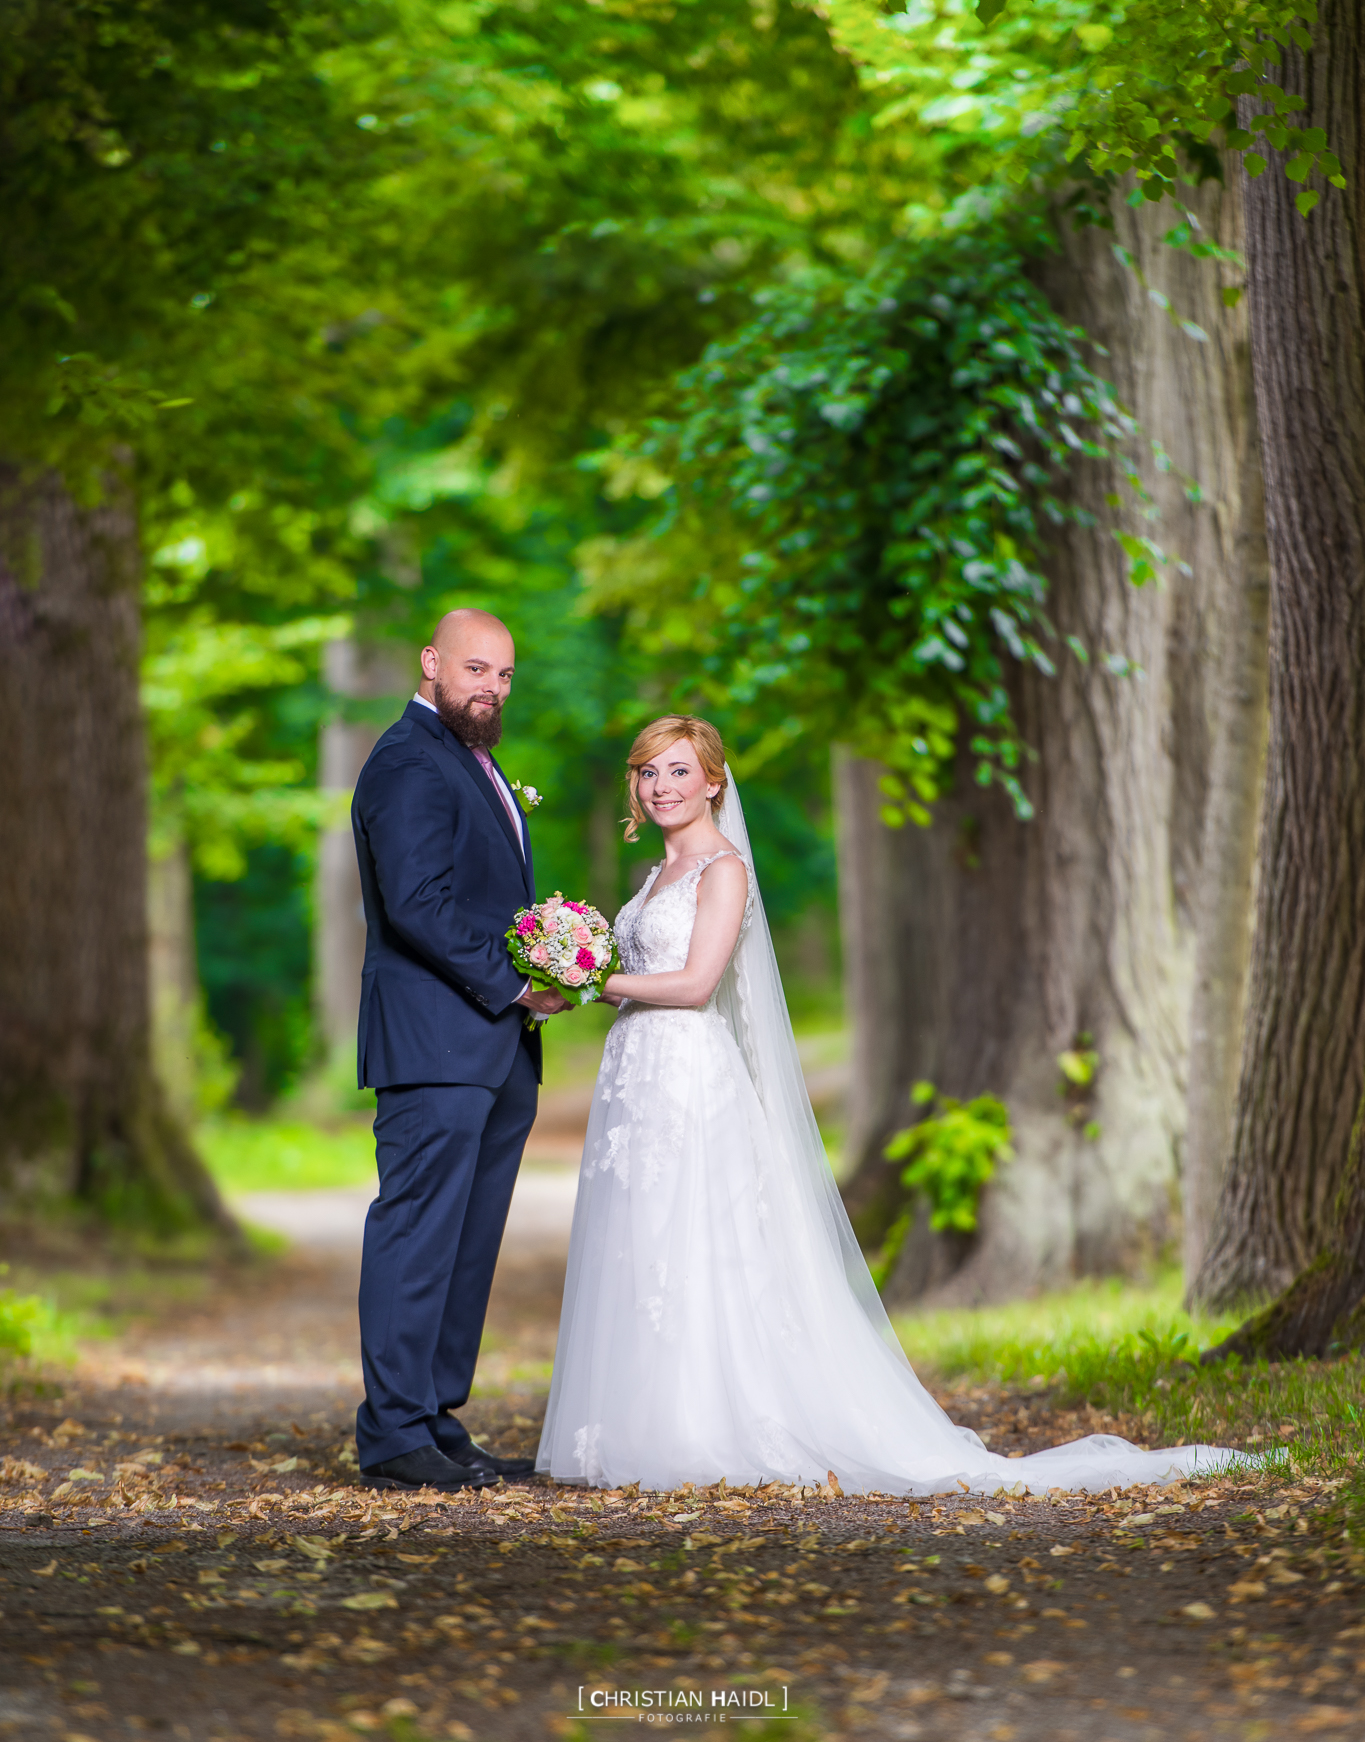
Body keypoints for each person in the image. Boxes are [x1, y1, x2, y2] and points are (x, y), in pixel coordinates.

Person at [538, 714, 1241, 1497]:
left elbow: (697, 984)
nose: (660, 787)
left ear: (712, 782)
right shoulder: (652, 880)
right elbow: (639, 974)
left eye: (677, 771)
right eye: (647, 773)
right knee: (642, 1237)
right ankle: (641, 1422)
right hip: (636, 1073)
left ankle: (703, 1427)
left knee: (697, 1238)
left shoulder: (722, 869)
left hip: (688, 1074)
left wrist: (593, 981)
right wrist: (568, 981)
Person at [351, 609, 573, 1492]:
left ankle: (436, 1416)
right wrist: (519, 981)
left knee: (468, 1240)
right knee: (416, 1232)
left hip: (492, 1048)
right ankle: (392, 1430)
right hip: (435, 1043)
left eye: (505, 675)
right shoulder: (407, 760)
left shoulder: (471, 763)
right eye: (476, 669)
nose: (491, 688)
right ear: (432, 663)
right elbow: (415, 905)